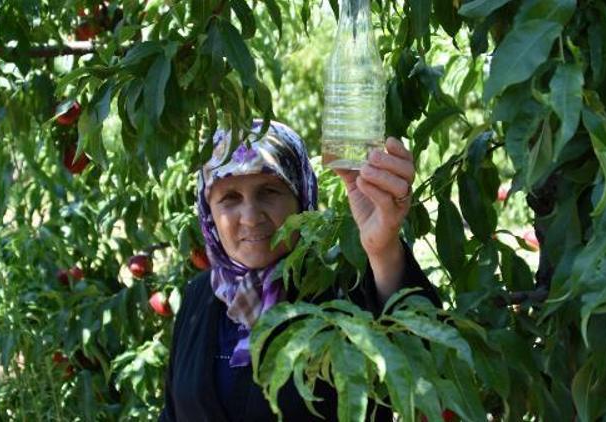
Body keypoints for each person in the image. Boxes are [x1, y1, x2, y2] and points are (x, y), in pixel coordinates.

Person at [159, 120, 438, 421]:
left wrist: (382, 249)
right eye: (230, 198)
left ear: (301, 198)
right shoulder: (199, 296)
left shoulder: (340, 285)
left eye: (269, 191)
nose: (250, 217)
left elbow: (423, 358)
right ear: (208, 210)